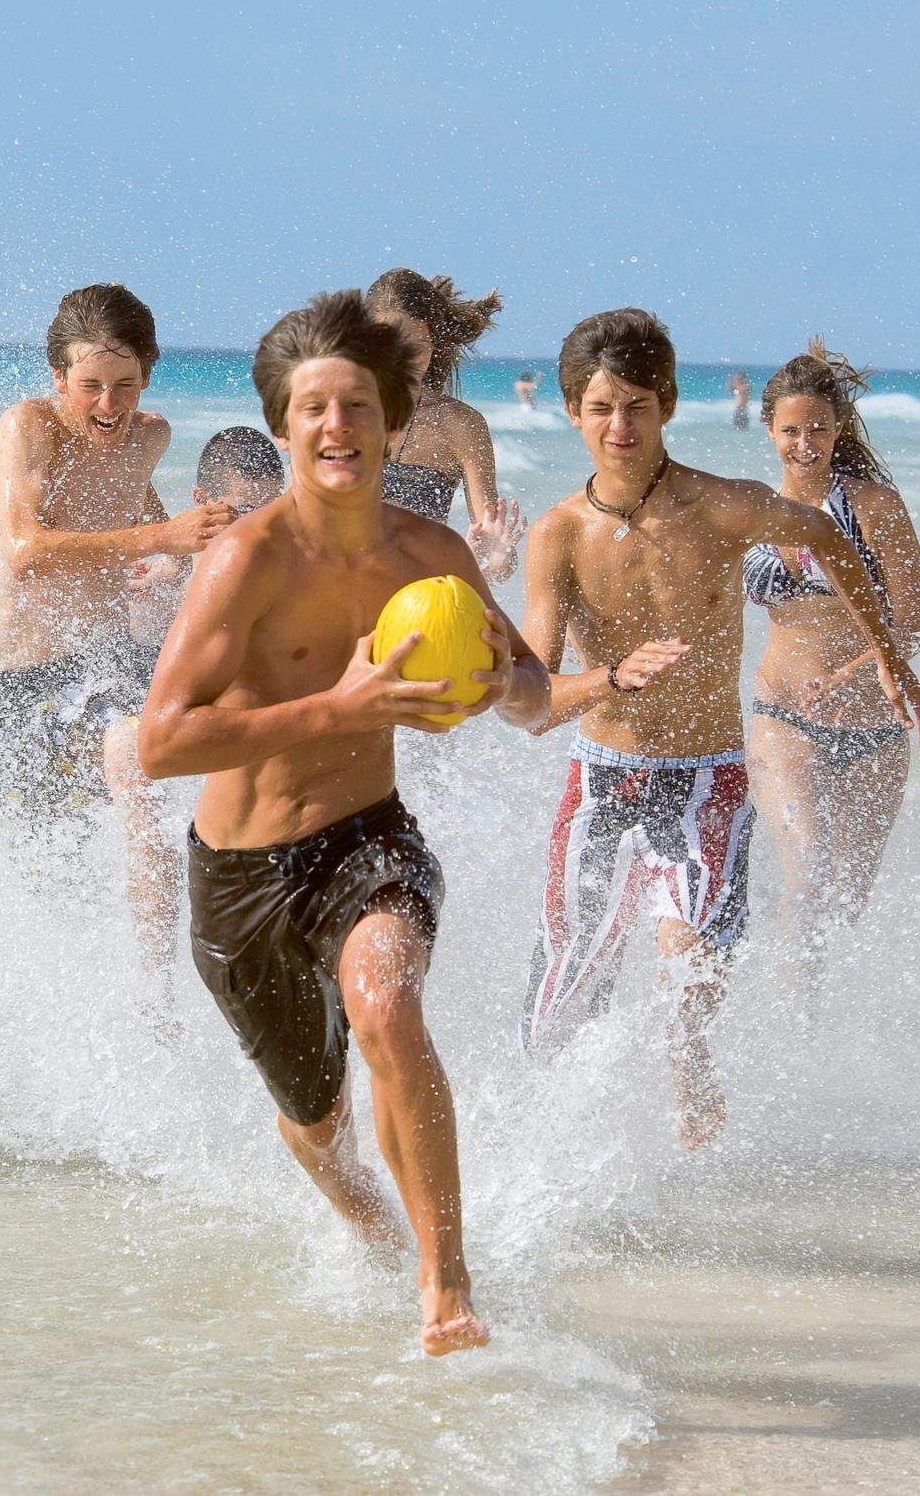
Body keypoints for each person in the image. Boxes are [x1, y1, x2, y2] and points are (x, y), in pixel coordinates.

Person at [139, 290, 550, 1356]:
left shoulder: (432, 558)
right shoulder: (247, 562)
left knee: (386, 1003)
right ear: (283, 427)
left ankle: (446, 1283)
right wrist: (342, 705)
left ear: (390, 418)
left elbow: (531, 693)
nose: (336, 426)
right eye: (313, 407)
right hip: (237, 876)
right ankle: (354, 1197)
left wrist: (510, 682)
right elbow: (162, 743)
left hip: (368, 835)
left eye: (356, 404)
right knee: (315, 1124)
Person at [516, 309, 920, 1149]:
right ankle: (535, 1158)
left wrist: (887, 654)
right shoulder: (558, 535)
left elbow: (825, 537)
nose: (619, 426)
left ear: (667, 404)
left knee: (688, 984)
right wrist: (604, 676)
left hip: (707, 779)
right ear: (572, 413)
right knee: (562, 1000)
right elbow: (527, 702)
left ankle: (696, 1160)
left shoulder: (723, 507)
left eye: (637, 404)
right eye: (600, 408)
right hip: (601, 780)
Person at [0, 285, 233, 1029]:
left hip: (106, 667)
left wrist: (180, 556)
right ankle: (73, 1016)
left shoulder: (149, 438)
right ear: (59, 380)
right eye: (90, 387)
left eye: (124, 385)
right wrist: (161, 539)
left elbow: (149, 523)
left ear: (147, 376)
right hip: (12, 694)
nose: (108, 404)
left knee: (135, 761)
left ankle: (157, 995)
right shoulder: (28, 428)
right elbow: (23, 551)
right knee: (55, 887)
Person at [744, 343, 920, 1016]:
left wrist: (855, 669)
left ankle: (812, 1016)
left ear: (840, 427)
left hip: (874, 735)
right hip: (782, 718)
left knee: (841, 905)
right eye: (791, 430)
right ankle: (793, 1037)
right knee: (809, 873)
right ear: (769, 429)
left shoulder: (874, 507)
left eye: (818, 427)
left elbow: (909, 624)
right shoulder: (751, 511)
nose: (805, 443)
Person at [365, 268, 527, 579]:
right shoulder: (338, 411)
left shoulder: (461, 426)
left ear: (434, 341)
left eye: (417, 344)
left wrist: (496, 555)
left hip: (420, 603)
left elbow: (497, 566)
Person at [129, 426, 286, 646]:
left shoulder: (289, 560)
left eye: (272, 507)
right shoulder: (170, 574)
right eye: (247, 508)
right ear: (202, 500)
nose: (263, 523)